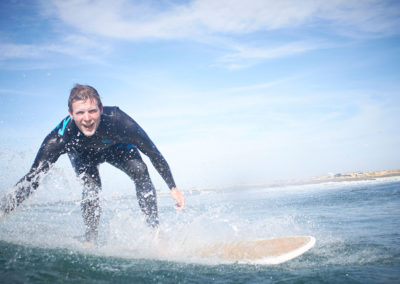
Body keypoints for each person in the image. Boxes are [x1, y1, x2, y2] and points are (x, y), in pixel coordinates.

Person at [0, 84, 185, 245]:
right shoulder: (61, 138)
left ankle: (154, 232)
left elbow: (152, 152)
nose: (87, 118)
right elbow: (32, 179)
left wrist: (172, 186)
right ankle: (90, 239)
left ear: (101, 109)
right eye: (80, 112)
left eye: (92, 111)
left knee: (140, 169)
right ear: (71, 114)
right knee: (92, 186)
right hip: (82, 154)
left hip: (115, 147)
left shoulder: (119, 121)